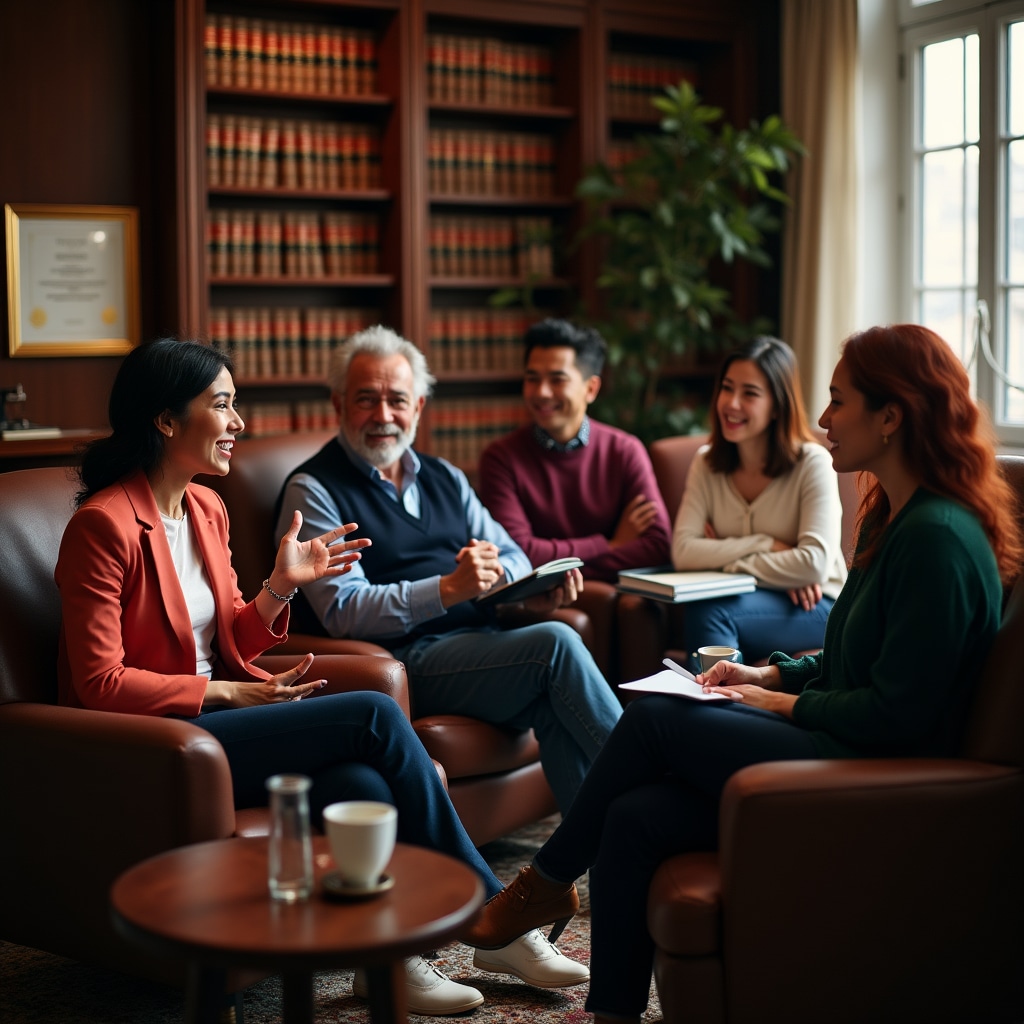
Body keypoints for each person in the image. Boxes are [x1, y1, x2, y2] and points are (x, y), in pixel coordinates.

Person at [463, 324, 1024, 1024]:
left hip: (879, 771)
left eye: (839, 400)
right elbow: (852, 657)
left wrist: (776, 705)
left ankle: (543, 881)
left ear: (891, 416)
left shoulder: (937, 537)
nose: (823, 419)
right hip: (849, 743)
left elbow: (897, 715)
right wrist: (769, 673)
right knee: (632, 817)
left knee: (655, 718)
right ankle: (610, 1012)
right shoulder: (895, 515)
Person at [54, 338, 588, 1015]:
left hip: (218, 722)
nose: (238, 422)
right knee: (371, 712)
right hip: (162, 739)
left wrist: (280, 586)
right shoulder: (102, 526)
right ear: (165, 419)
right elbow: (99, 683)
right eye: (222, 405)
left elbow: (231, 637)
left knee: (360, 783)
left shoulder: (206, 509)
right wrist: (223, 691)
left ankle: (387, 958)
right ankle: (493, 916)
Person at [274, 324, 623, 818]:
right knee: (555, 644)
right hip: (401, 658)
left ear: (418, 406)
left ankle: (586, 858)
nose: (383, 416)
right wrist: (446, 589)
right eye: (366, 399)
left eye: (397, 400)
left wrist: (514, 592)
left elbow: (513, 555)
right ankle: (649, 781)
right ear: (338, 404)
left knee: (553, 700)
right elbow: (343, 609)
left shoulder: (445, 477)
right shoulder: (313, 489)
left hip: (478, 645)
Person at [670, 335, 848, 669]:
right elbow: (684, 553)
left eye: (749, 393)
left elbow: (813, 564)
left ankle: (714, 699)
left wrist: (722, 556)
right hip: (749, 601)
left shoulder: (812, 463)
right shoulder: (706, 463)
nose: (732, 403)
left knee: (710, 611)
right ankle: (721, 698)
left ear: (778, 405)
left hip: (816, 604)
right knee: (709, 610)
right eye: (727, 388)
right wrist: (767, 546)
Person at [478, 318, 672, 583]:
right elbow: (518, 554)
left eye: (557, 380)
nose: (542, 392)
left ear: (591, 389)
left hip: (610, 595)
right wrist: (609, 545)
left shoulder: (625, 451)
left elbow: (658, 547)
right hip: (541, 601)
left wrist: (555, 567)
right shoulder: (501, 458)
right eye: (532, 379)